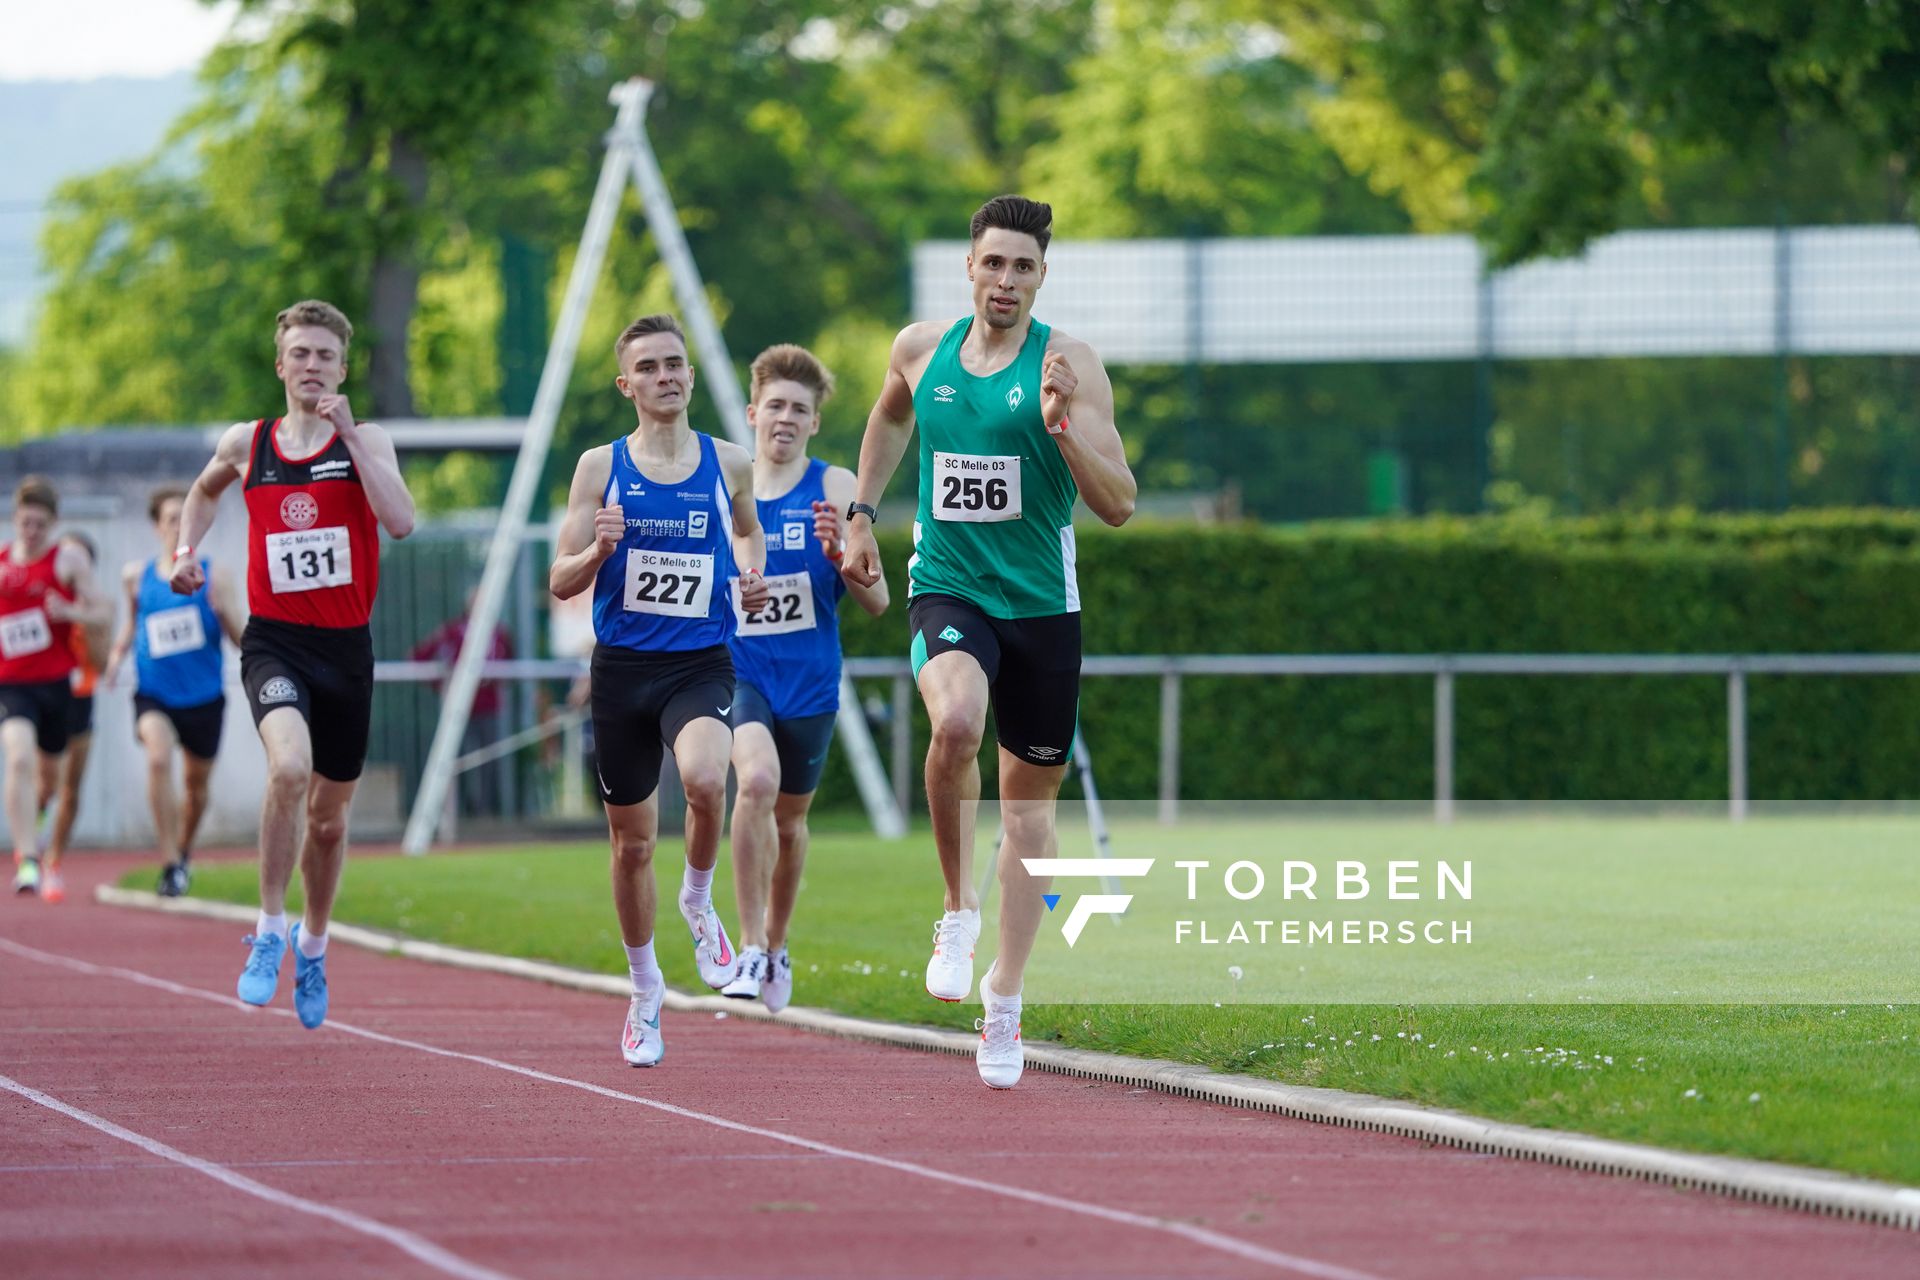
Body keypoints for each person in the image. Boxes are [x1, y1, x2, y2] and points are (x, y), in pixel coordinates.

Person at [841, 195, 1137, 1088]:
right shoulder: (919, 350)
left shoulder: (1071, 365)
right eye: (993, 263)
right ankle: (956, 909)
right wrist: (863, 510)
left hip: (1043, 609)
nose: (1006, 280)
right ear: (968, 267)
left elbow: (1120, 502)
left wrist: (1062, 432)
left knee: (1030, 819)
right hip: (950, 588)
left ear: (1041, 277)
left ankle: (1004, 999)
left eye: (1024, 268)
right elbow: (891, 416)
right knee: (957, 721)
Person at [171, 299, 415, 1028]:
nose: (312, 366)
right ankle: (269, 930)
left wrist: (350, 438)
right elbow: (202, 491)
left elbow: (400, 521)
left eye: (325, 356)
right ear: (281, 365)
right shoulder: (250, 443)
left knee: (332, 821)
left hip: (346, 649)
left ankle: (313, 943)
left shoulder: (366, 439)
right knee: (287, 770)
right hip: (274, 639)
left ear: (342, 369)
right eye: (300, 354)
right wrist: (185, 553)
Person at [548, 312, 769, 1067]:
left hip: (700, 659)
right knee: (632, 845)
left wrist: (752, 572)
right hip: (621, 672)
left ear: (690, 375)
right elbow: (559, 578)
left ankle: (700, 900)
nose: (666, 376)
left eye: (675, 364)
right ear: (626, 385)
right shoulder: (598, 467)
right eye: (649, 367)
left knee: (709, 779)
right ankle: (645, 990)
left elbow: (747, 529)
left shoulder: (729, 461)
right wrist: (599, 548)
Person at [718, 345, 889, 1012]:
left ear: (815, 421)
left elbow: (876, 603)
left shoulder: (835, 487)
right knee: (754, 782)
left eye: (801, 409)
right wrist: (737, 594)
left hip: (812, 682)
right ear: (752, 411)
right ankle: (749, 945)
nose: (785, 419)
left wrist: (841, 559)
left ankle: (778, 943)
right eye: (776, 407)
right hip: (741, 672)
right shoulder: (726, 486)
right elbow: (700, 589)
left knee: (790, 825)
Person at [105, 486, 246, 897]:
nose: (177, 527)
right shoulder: (137, 576)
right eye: (170, 519)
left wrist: (225, 613)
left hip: (203, 696)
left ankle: (183, 852)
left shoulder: (216, 574)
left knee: (196, 789)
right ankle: (169, 863)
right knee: (157, 758)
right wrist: (117, 655)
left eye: (184, 519)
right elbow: (133, 624)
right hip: (155, 693)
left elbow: (241, 640)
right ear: (156, 526)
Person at [2, 478, 108, 900]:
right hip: (11, 686)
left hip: (56, 685)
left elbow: (104, 611)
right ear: (15, 520)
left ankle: (39, 829)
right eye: (26, 523)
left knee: (49, 781)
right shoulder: (4, 562)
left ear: (53, 524)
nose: (32, 532)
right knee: (18, 757)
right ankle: (27, 859)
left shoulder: (66, 564)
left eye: (40, 525)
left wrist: (69, 610)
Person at [40, 532, 115, 902]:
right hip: (40, 694)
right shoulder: (42, 597)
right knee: (44, 786)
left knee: (71, 788)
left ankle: (52, 861)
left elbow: (101, 665)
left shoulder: (96, 608)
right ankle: (31, 841)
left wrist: (86, 624)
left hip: (79, 697)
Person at [411, 589, 515, 817]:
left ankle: (484, 811)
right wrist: (442, 686)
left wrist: (495, 681)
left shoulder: (498, 633)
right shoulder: (452, 631)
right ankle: (455, 813)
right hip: (459, 709)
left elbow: (509, 662)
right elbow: (419, 656)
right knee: (453, 760)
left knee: (489, 760)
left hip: (489, 707)